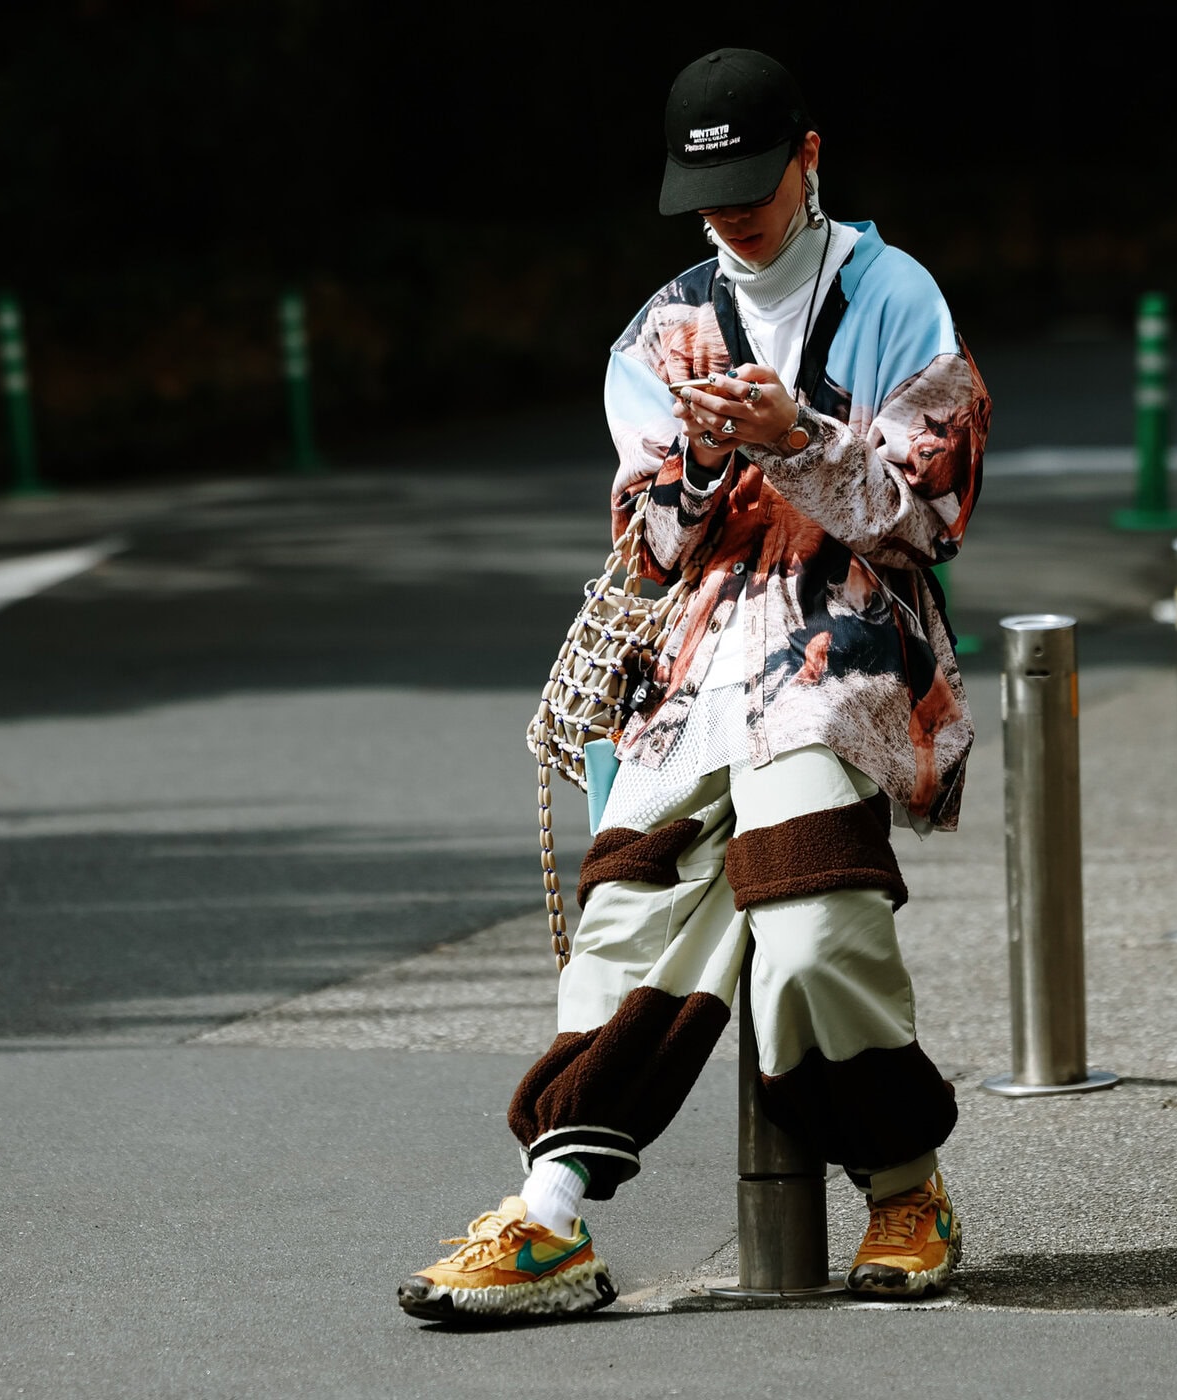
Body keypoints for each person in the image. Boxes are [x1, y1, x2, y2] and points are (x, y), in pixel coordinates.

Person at [398, 48, 991, 1323]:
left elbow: (932, 514)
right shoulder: (658, 330)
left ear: (811, 158)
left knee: (811, 931)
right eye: (705, 191)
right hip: (691, 673)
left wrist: (800, 439)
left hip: (838, 658)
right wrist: (703, 466)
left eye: (754, 183)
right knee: (625, 930)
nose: (731, 213)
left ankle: (906, 1184)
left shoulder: (897, 297)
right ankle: (551, 1218)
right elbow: (645, 545)